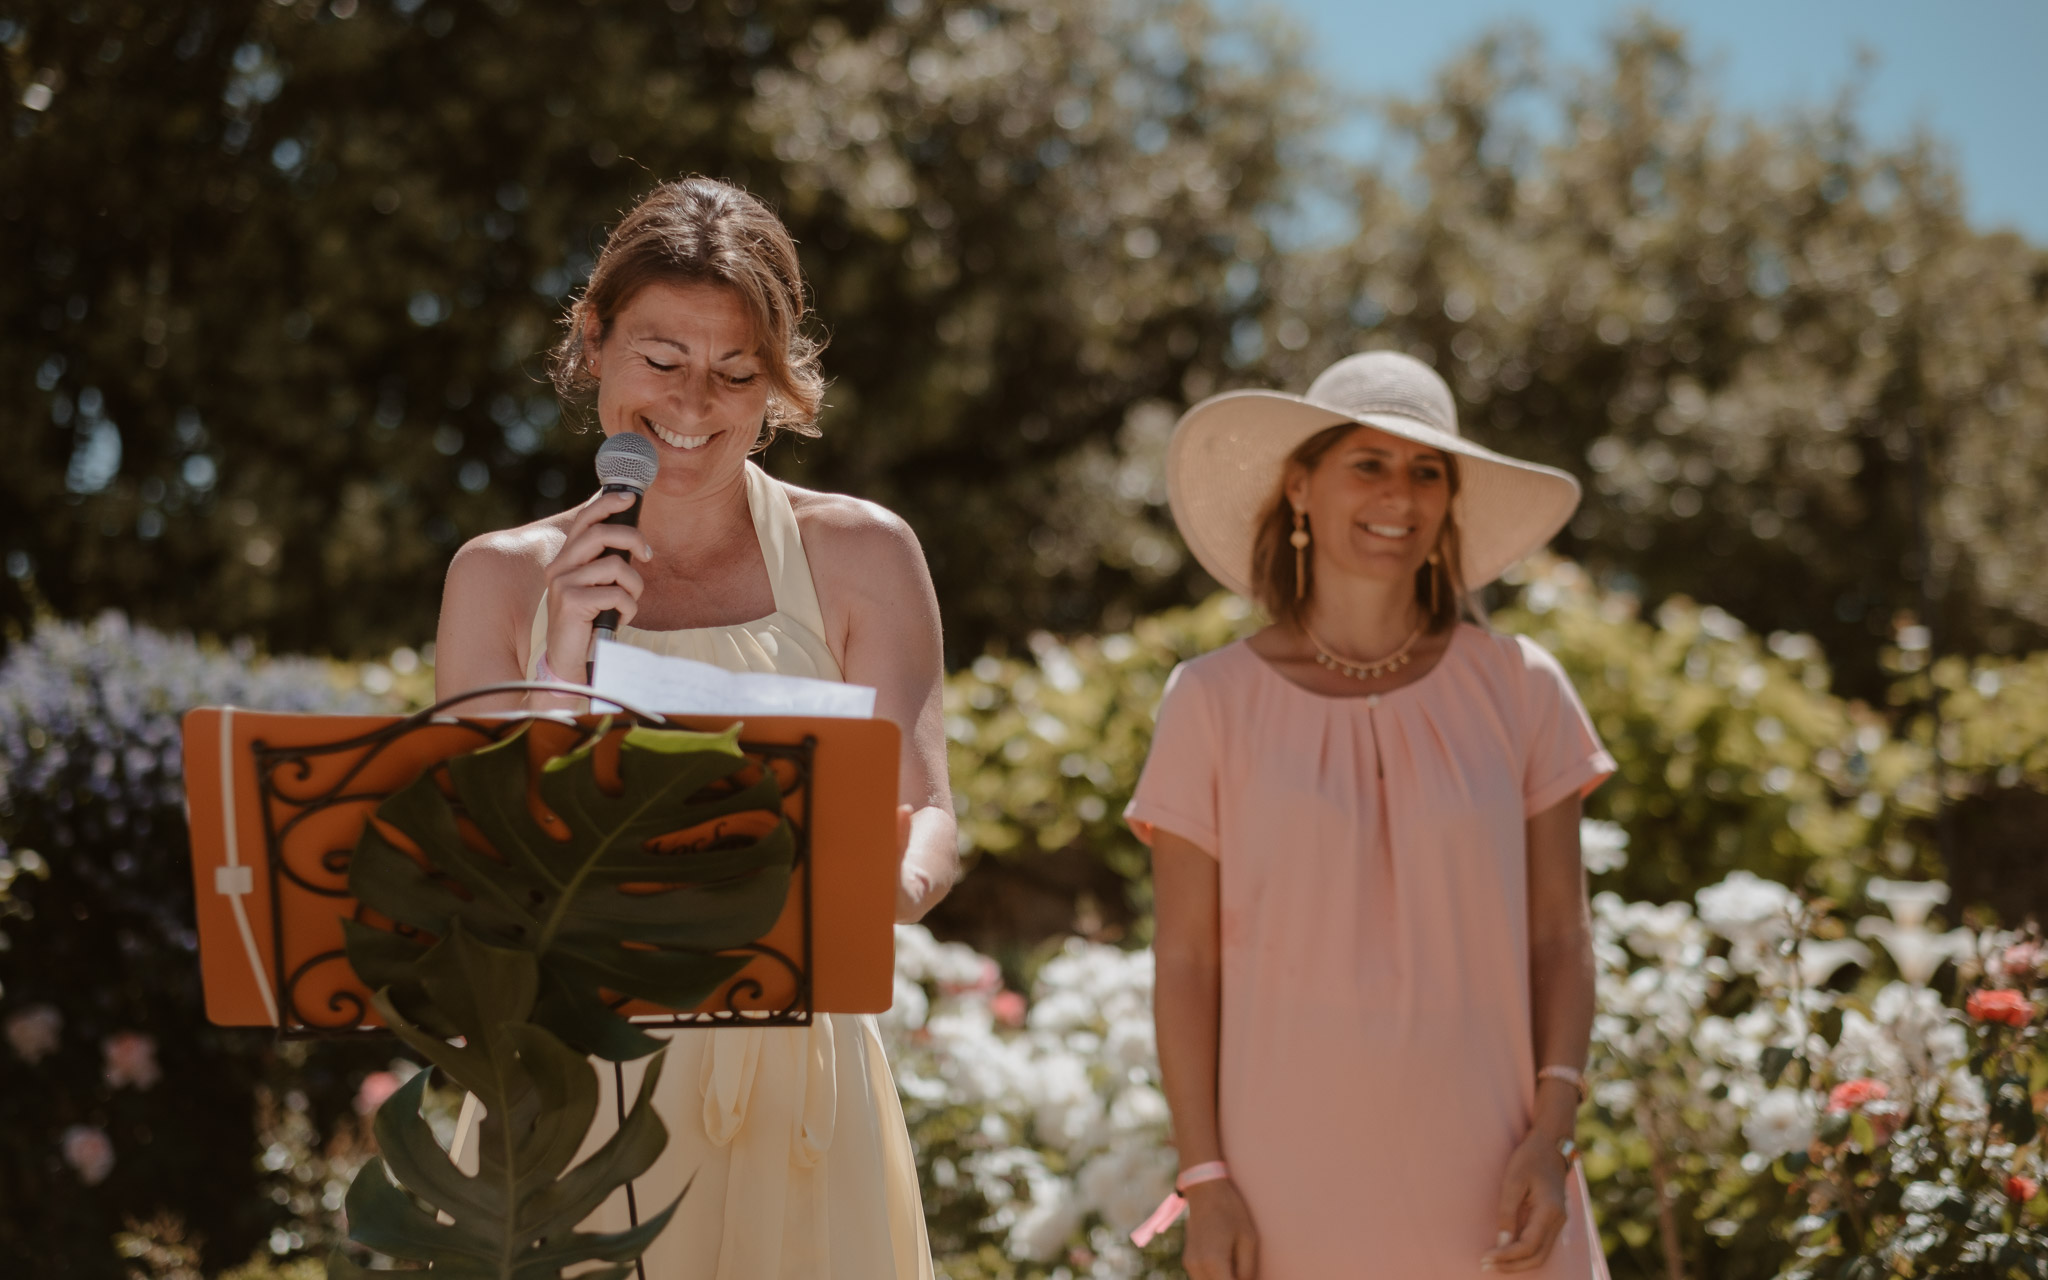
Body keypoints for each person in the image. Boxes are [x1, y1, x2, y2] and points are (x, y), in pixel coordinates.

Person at [434, 177, 951, 1279]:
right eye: (660, 359)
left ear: (777, 381)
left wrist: (882, 891)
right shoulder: (495, 577)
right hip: (567, 1083)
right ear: (594, 341)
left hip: (797, 1082)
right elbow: (487, 866)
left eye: (734, 371)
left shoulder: (864, 554)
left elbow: (928, 815)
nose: (692, 402)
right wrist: (561, 656)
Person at [1127, 351, 1616, 1279]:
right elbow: (1184, 962)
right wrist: (1206, 1178)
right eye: (1370, 463)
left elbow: (1562, 936)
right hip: (1286, 1183)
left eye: (1427, 471)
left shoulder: (1521, 688)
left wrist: (1553, 1135)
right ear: (1301, 488)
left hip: (1500, 1174)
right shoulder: (1209, 701)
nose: (1401, 494)